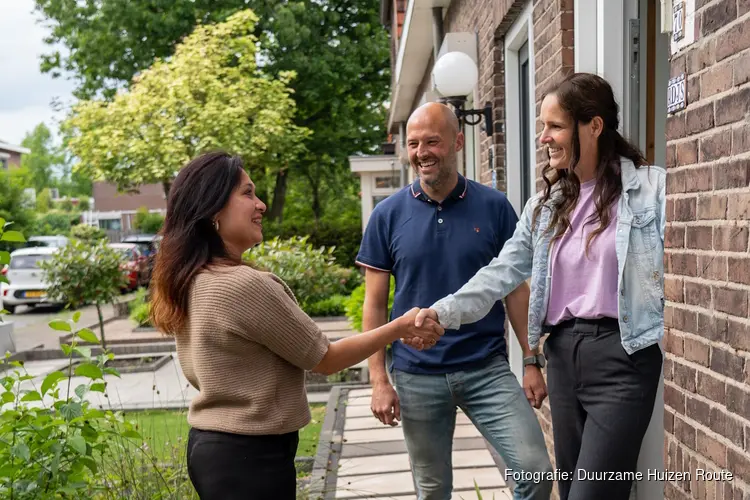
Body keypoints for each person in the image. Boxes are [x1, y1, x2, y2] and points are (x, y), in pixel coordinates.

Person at [414, 73, 666, 500]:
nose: (544, 138)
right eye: (542, 127)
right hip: (564, 358)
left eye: (554, 126)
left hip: (623, 356)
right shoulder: (545, 207)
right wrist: (443, 312)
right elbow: (500, 273)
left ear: (594, 126)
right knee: (570, 490)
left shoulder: (651, 190)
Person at [149, 151, 445, 500]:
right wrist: (400, 326)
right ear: (213, 210)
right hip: (251, 457)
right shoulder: (243, 285)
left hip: (212, 448)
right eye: (247, 193)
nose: (260, 205)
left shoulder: (191, 278)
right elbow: (325, 359)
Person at [356, 102, 553, 500]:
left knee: (534, 471)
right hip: (416, 375)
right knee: (433, 491)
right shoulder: (387, 215)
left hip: (486, 369)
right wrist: (379, 380)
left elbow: (515, 289)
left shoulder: (494, 207)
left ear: (458, 142)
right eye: (413, 143)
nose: (421, 152)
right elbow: (375, 305)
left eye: (432, 141)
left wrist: (531, 360)